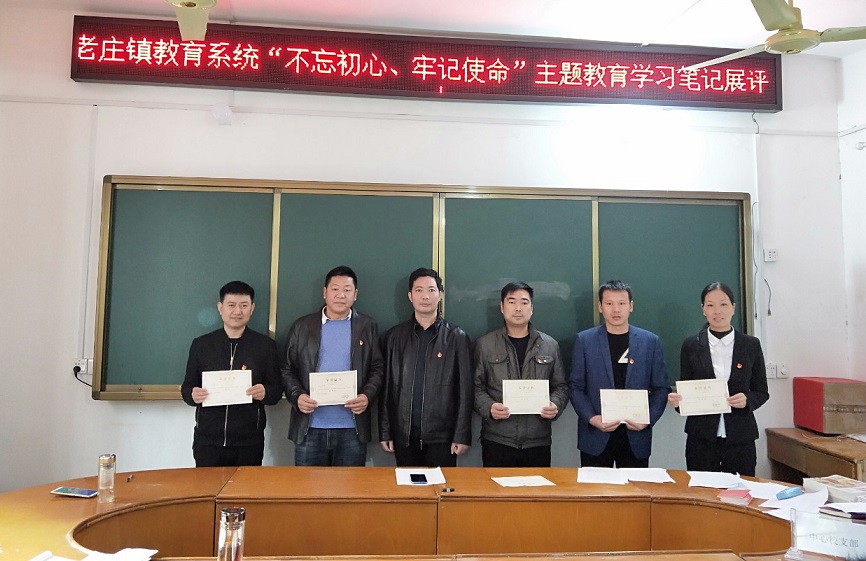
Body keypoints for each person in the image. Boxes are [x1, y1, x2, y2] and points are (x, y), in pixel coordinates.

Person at [281, 266, 384, 466]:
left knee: (350, 486)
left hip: (352, 428)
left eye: (347, 290)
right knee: (308, 486)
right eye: (335, 289)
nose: (341, 295)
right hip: (310, 427)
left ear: (355, 294)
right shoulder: (302, 326)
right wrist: (297, 396)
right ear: (324, 292)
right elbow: (287, 368)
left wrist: (367, 396)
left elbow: (377, 367)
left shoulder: (367, 326)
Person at [668, 281, 769, 476]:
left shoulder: (750, 345)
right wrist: (679, 402)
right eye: (710, 305)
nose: (717, 311)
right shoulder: (691, 345)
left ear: (733, 308)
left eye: (723, 304)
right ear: (703, 309)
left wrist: (747, 400)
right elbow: (686, 391)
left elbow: (761, 392)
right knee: (702, 489)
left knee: (741, 489)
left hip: (740, 436)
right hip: (701, 437)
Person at [569, 280, 670, 468]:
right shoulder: (585, 341)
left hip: (636, 435)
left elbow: (661, 388)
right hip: (596, 434)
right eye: (609, 303)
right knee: (596, 487)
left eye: (622, 303)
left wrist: (647, 419)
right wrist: (592, 418)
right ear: (600, 307)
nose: (616, 310)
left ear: (631, 306)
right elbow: (576, 387)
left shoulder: (650, 342)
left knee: (635, 487)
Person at [181, 281, 282, 467]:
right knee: (207, 486)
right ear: (220, 308)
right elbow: (187, 388)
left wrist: (265, 392)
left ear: (252, 308)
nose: (237, 311)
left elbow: (276, 390)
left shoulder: (265, 346)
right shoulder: (201, 345)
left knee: (245, 486)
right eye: (231, 305)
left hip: (249, 441)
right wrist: (192, 394)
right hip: (208, 440)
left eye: (244, 305)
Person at [379, 268, 473, 467]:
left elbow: (465, 390)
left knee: (441, 486)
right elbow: (387, 387)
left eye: (431, 290)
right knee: (407, 487)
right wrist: (385, 431)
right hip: (403, 435)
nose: (425, 296)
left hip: (442, 437)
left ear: (440, 295)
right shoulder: (394, 337)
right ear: (410, 296)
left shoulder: (456, 337)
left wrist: (462, 434)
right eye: (419, 290)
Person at [473, 281, 569, 467]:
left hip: (538, 440)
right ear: (502, 307)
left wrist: (555, 404)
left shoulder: (550, 345)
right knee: (497, 487)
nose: (518, 308)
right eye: (511, 302)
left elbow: (561, 386)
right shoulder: (485, 345)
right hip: (497, 439)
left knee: (536, 487)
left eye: (524, 302)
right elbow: (475, 387)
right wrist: (489, 407)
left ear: (531, 308)